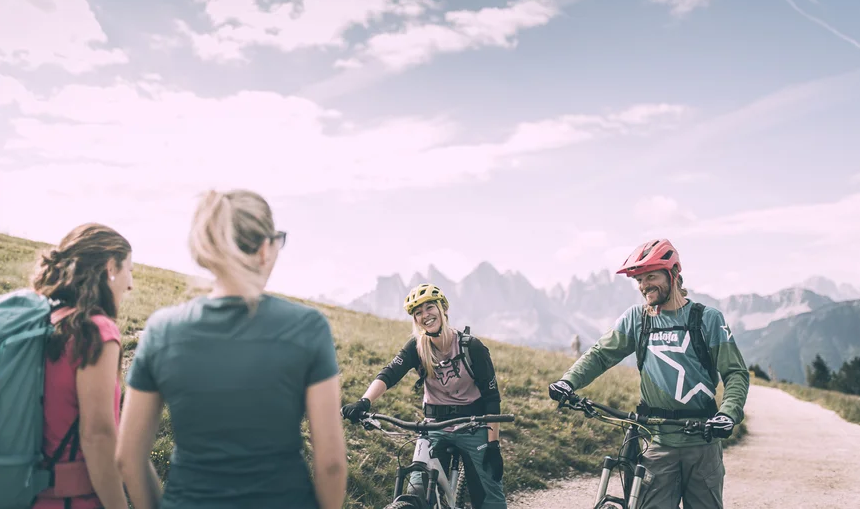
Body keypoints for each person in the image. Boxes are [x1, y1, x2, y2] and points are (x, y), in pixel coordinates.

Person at [115, 189, 347, 509]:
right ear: (265, 249)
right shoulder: (307, 327)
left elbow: (128, 458)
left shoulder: (162, 330)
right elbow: (331, 463)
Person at [548, 239, 749, 509]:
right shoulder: (638, 318)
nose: (644, 286)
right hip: (655, 442)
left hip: (703, 443)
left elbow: (735, 372)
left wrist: (728, 413)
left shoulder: (707, 318)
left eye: (651, 276)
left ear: (674, 273)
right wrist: (567, 381)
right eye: (639, 280)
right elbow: (600, 355)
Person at [341, 283, 508, 509]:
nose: (425, 315)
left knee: (490, 496)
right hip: (433, 427)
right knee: (416, 491)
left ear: (443, 309)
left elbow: (491, 398)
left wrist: (493, 445)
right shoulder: (417, 347)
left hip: (473, 425)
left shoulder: (472, 347)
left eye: (429, 307)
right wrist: (364, 401)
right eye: (418, 312)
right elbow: (389, 374)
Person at [32, 223, 135, 509]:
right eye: (129, 269)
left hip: (22, 492)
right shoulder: (96, 331)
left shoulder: (47, 320)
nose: (130, 284)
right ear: (110, 267)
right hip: (73, 500)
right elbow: (98, 436)